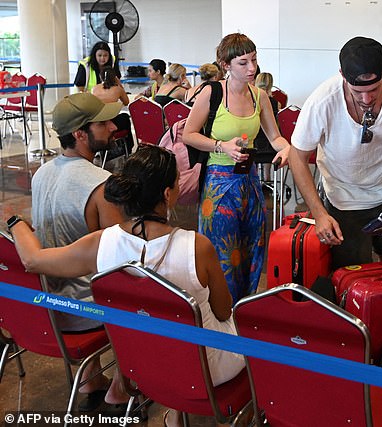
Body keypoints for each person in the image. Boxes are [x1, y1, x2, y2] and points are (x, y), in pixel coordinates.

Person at [8, 145, 245, 427]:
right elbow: (222, 310)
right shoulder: (197, 247)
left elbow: (33, 261)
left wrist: (15, 222)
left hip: (138, 364)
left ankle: (174, 411)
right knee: (250, 332)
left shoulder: (101, 243)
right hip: (204, 370)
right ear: (168, 195)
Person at [288, 36, 382, 269]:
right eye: (357, 92)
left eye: (373, 90)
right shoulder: (323, 100)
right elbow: (297, 156)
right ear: (343, 75)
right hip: (343, 198)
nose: (366, 99)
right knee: (352, 273)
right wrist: (319, 213)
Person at [30, 92, 127, 408]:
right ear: (80, 134)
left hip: (44, 308)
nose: (113, 126)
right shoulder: (101, 184)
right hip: (84, 316)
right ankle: (122, 385)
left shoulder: (41, 174)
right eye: (104, 123)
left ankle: (91, 377)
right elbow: (117, 264)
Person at [182, 33, 291, 303]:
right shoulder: (212, 92)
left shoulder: (260, 96)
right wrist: (222, 146)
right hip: (218, 183)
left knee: (252, 244)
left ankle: (243, 304)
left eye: (254, 60)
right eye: (243, 63)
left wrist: (286, 148)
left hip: (249, 181)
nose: (252, 68)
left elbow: (275, 137)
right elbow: (189, 134)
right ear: (225, 65)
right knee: (221, 248)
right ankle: (220, 307)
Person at [92, 66, 134, 155]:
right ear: (115, 77)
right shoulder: (118, 89)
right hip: (111, 123)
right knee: (125, 117)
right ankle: (129, 146)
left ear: (100, 76)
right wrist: (120, 84)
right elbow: (126, 102)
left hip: (97, 122)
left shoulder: (94, 88)